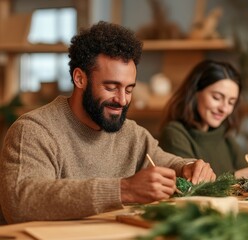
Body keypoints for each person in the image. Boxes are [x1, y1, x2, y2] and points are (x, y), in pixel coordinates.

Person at [0, 21, 216, 224]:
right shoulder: (33, 130)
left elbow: (169, 164)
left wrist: (188, 167)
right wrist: (123, 190)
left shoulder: (132, 134)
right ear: (80, 79)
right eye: (111, 87)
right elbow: (20, 202)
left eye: (129, 89)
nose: (122, 100)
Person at [158, 60, 248, 179]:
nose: (224, 109)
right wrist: (235, 176)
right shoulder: (174, 133)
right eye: (217, 97)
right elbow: (189, 185)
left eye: (231, 102)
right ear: (195, 92)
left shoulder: (223, 135)